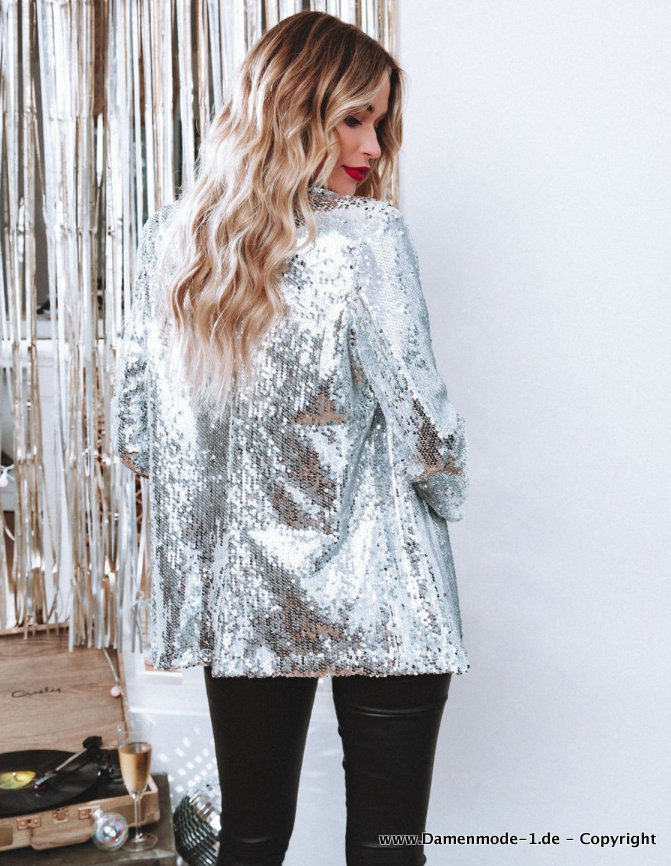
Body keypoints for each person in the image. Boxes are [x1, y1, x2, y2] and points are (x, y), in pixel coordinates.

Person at [112, 10, 470, 866]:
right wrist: (449, 491)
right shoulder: (369, 240)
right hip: (389, 586)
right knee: (388, 848)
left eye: (380, 121)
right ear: (291, 111)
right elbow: (427, 430)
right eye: (353, 118)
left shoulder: (173, 239)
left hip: (247, 597)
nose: (372, 146)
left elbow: (136, 433)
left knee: (250, 839)